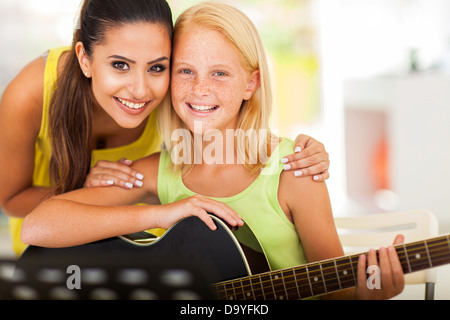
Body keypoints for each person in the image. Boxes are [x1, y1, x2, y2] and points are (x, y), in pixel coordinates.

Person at [21, 2, 404, 300]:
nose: (200, 89)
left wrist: (366, 293)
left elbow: (334, 287)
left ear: (250, 83)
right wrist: (165, 212)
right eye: (185, 71)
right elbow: (39, 225)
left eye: (219, 73)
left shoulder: (292, 170)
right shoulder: (161, 171)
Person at [0, 0, 330, 257]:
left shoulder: (176, 105)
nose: (141, 91)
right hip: (54, 259)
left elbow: (231, 125)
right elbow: (32, 220)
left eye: (158, 67)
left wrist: (303, 151)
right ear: (85, 58)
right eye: (119, 65)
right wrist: (157, 213)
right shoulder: (32, 94)